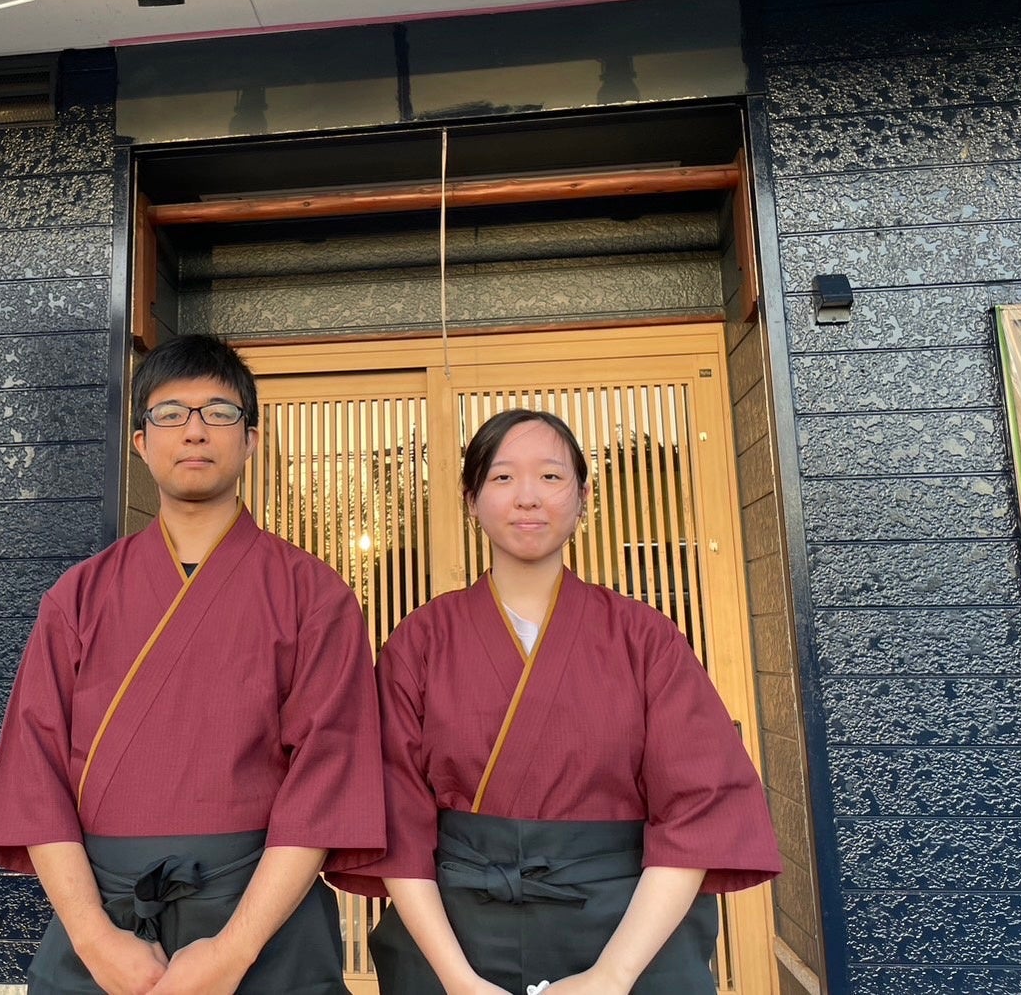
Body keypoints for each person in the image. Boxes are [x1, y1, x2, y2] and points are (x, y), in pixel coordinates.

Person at [0, 334, 384, 995]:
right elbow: (34, 776)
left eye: (219, 413)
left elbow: (326, 784)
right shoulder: (77, 597)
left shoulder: (314, 595)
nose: (195, 431)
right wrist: (95, 940)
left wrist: (233, 950)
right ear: (141, 443)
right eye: (171, 413)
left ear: (251, 440)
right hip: (106, 921)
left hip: (261, 921)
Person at [327, 408, 780, 995]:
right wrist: (458, 981)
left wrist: (613, 975)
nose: (528, 497)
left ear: (584, 497)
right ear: (471, 500)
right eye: (502, 477)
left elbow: (700, 808)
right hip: (457, 933)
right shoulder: (422, 640)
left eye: (550, 476)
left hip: (627, 929)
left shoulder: (644, 637)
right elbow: (397, 818)